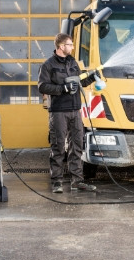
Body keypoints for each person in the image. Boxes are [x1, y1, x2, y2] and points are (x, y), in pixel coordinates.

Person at [38, 33, 97, 193]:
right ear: (61, 46)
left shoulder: (73, 63)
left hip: (75, 110)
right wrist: (62, 88)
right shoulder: (48, 65)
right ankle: (57, 182)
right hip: (58, 112)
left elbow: (80, 82)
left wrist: (92, 78)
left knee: (77, 146)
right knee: (58, 147)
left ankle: (77, 181)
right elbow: (42, 86)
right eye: (70, 44)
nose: (72, 47)